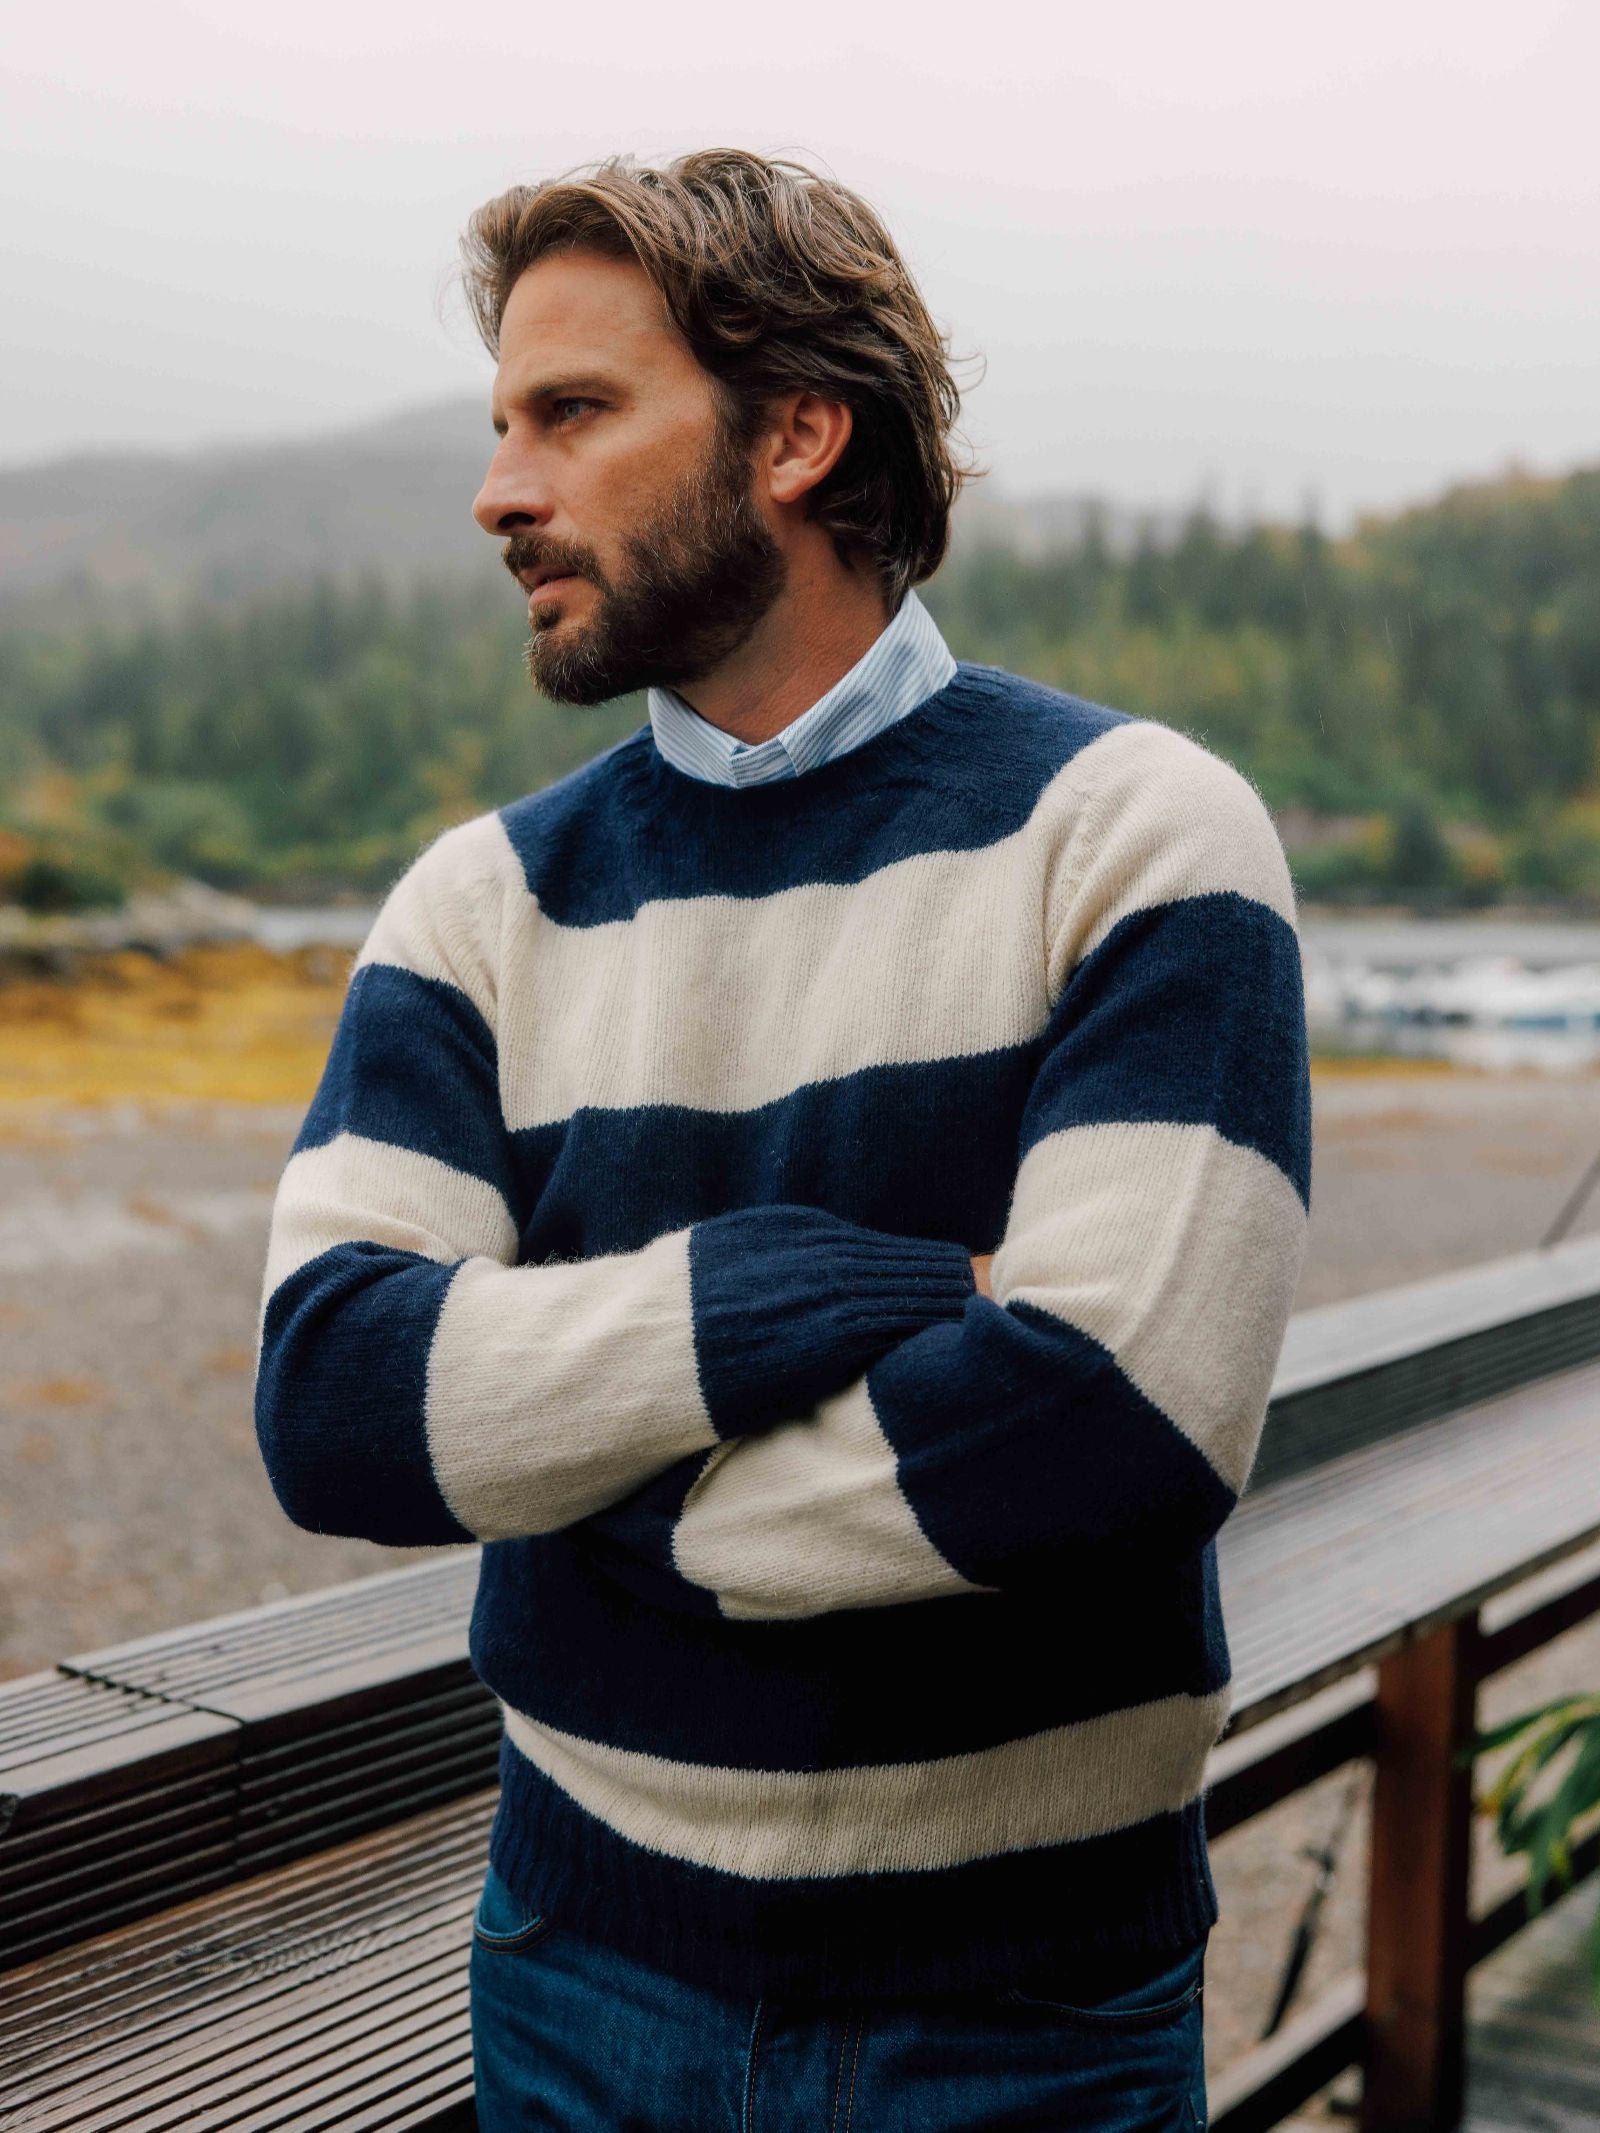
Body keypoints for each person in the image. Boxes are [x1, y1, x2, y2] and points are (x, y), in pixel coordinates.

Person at [254, 147, 1311, 2132]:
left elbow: (1120, 1427)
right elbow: (330, 1402)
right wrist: (803, 1295)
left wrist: (592, 1500)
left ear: (797, 433)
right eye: (499, 425)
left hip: (1021, 2018)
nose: (498, 489)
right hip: (574, 1984)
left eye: (571, 412)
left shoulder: (1134, 837)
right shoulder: (476, 908)